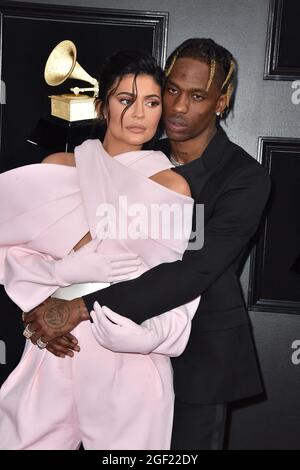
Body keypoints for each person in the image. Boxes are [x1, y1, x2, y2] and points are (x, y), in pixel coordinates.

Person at [31, 38, 271, 450]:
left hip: (199, 353)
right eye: (172, 90)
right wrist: (47, 302)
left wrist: (76, 309)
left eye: (197, 96)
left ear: (222, 101)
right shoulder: (140, 155)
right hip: (111, 352)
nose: (178, 107)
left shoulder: (244, 178)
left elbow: (193, 270)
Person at [0, 50, 200, 450]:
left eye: (151, 101)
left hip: (126, 350)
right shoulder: (57, 166)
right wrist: (55, 282)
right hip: (54, 345)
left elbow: (177, 282)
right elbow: (11, 249)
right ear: (102, 105)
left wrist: (149, 338)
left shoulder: (172, 186)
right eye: (125, 99)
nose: (138, 113)